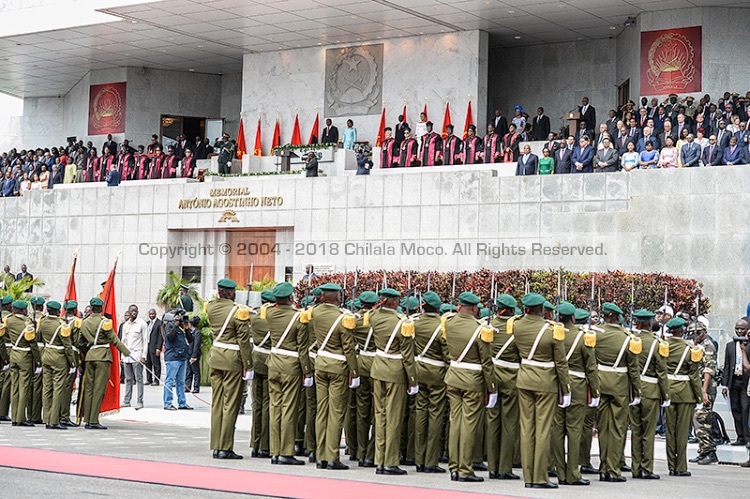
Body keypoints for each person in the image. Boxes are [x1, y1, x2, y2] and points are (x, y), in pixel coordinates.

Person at [512, 293, 570, 489]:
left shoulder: (517, 326)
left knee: (527, 429)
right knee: (543, 430)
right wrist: (566, 388)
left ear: (527, 309)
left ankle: (528, 477)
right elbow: (561, 363)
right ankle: (539, 477)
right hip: (546, 382)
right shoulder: (552, 330)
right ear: (543, 310)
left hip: (524, 379)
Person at [441, 292, 496, 483]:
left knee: (455, 422)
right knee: (469, 425)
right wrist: (492, 387)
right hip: (472, 380)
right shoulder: (480, 328)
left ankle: (454, 467)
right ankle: (465, 469)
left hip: (454, 377)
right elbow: (486, 362)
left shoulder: (448, 322)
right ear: (473, 308)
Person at [309, 283, 358, 470]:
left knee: (322, 411)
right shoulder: (343, 318)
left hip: (320, 364)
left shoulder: (316, 313)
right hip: (338, 367)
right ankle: (332, 457)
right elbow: (348, 348)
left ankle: (320, 455)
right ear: (336, 297)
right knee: (336, 413)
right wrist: (354, 371)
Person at [550, 302, 599, 486]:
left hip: (556, 385)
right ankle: (573, 473)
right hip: (577, 386)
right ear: (572, 318)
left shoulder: (553, 333)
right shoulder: (583, 337)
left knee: (557, 430)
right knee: (574, 430)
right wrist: (595, 391)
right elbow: (591, 367)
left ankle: (560, 471)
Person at [369, 288, 416, 475]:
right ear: (395, 303)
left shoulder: (374, 317)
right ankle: (390, 461)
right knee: (394, 418)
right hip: (395, 372)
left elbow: (371, 311)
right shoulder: (402, 323)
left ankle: (379, 460)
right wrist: (412, 379)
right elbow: (407, 356)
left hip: (378, 368)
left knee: (380, 417)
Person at [595, 302, 642, 482]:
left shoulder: (595, 334)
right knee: (617, 428)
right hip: (619, 386)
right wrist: (637, 390)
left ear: (605, 316)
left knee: (602, 428)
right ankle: (613, 469)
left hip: (599, 382)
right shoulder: (628, 338)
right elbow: (633, 368)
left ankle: (602, 467)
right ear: (617, 317)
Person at [265, 283, 311, 465]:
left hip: (274, 363)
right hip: (290, 366)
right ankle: (286, 451)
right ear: (291, 298)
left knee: (275, 408)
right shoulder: (298, 318)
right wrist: (307, 371)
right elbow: (302, 348)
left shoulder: (269, 313)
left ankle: (275, 451)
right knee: (289, 409)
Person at [206, 278, 253, 459]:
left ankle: (216, 446)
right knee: (230, 404)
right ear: (229, 293)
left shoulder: (210, 307)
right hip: (232, 360)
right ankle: (225, 447)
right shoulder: (237, 311)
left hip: (216, 356)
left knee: (217, 403)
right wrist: (247, 365)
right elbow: (243, 341)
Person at [78, 297, 132, 429]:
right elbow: (115, 340)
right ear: (101, 309)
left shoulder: (84, 322)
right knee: (99, 389)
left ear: (91, 309)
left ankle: (87, 419)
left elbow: (80, 342)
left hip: (90, 357)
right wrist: (127, 353)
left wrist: (89, 349)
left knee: (89, 389)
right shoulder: (105, 322)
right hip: (102, 357)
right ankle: (94, 420)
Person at [629, 309, 669, 480]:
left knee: (636, 430)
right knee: (648, 432)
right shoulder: (657, 343)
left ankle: (636, 468)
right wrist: (665, 394)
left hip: (633, 390)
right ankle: (647, 468)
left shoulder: (632, 340)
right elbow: (661, 371)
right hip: (651, 391)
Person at [413, 291, 448, 474]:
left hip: (419, 369)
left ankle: (419, 458)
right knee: (435, 415)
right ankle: (430, 460)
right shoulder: (441, 326)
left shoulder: (414, 322)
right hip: (437, 373)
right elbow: (447, 354)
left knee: (420, 413)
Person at [487, 294, 521, 481]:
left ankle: (492, 467)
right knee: (509, 423)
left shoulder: (488, 325)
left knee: (493, 421)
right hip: (511, 377)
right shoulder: (516, 327)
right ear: (511, 310)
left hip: (492, 374)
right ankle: (504, 468)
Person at [664, 317, 702, 476]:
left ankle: (671, 466)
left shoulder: (663, 347)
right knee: (682, 431)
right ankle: (681, 467)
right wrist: (699, 396)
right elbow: (694, 376)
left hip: (668, 391)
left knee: (670, 431)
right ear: (682, 331)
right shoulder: (690, 349)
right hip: (685, 393)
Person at [38, 301, 75, 430]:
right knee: (58, 388)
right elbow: (67, 346)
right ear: (58, 311)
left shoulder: (42, 322)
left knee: (47, 388)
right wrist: (72, 362)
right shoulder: (62, 325)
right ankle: (54, 420)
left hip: (46, 355)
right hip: (59, 357)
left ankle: (47, 418)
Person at [6, 300, 41, 426]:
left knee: (14, 387)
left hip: (14, 354)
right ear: (23, 310)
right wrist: (38, 360)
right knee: (24, 387)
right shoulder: (28, 324)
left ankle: (15, 417)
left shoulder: (9, 320)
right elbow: (33, 344)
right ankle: (21, 418)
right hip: (24, 356)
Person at [688, 322, 718, 465]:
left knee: (702, 419)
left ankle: (710, 451)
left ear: (704, 332)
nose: (695, 336)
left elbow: (709, 370)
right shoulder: (696, 346)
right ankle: (703, 450)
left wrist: (704, 391)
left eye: (698, 333)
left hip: (706, 387)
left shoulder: (708, 346)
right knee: (697, 420)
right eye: (692, 333)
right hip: (697, 386)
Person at [249, 290, 274, 458]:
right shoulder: (274, 317)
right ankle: (265, 445)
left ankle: (255, 444)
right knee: (266, 404)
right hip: (268, 360)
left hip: (255, 359)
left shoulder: (254, 315)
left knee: (256, 404)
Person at [721, 318, 750, 445]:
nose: (739, 331)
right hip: (734, 382)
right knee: (735, 409)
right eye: (737, 328)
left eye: (742, 329)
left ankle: (747, 436)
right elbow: (727, 366)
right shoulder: (730, 346)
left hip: (746, 383)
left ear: (747, 329)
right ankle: (740, 437)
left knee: (745, 409)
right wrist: (725, 385)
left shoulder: (749, 345)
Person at [120, 305, 148, 410]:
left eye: (136, 311)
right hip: (127, 356)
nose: (134, 313)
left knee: (139, 379)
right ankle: (127, 400)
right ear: (129, 312)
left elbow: (145, 341)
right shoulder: (125, 325)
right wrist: (122, 356)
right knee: (128, 379)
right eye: (132, 311)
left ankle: (140, 401)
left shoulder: (142, 324)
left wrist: (143, 355)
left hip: (137, 355)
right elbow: (123, 341)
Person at [163, 313, 192, 411]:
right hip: (172, 358)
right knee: (170, 381)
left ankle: (182, 403)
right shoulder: (169, 326)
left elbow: (190, 339)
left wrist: (187, 328)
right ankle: (167, 403)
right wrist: (175, 325)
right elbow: (170, 337)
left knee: (181, 382)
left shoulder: (182, 328)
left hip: (182, 357)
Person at [145, 309, 163, 385]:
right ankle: (149, 379)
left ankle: (156, 379)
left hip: (155, 347)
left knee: (156, 364)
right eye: (150, 314)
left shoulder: (159, 323)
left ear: (156, 313)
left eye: (153, 314)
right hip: (147, 346)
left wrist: (158, 348)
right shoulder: (147, 323)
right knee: (147, 363)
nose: (151, 315)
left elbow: (160, 337)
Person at [185, 316, 202, 394]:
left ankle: (196, 387)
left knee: (196, 371)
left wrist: (194, 356)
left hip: (194, 354)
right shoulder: (189, 332)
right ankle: (187, 386)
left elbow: (196, 345)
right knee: (188, 371)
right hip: (188, 353)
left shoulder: (197, 333)